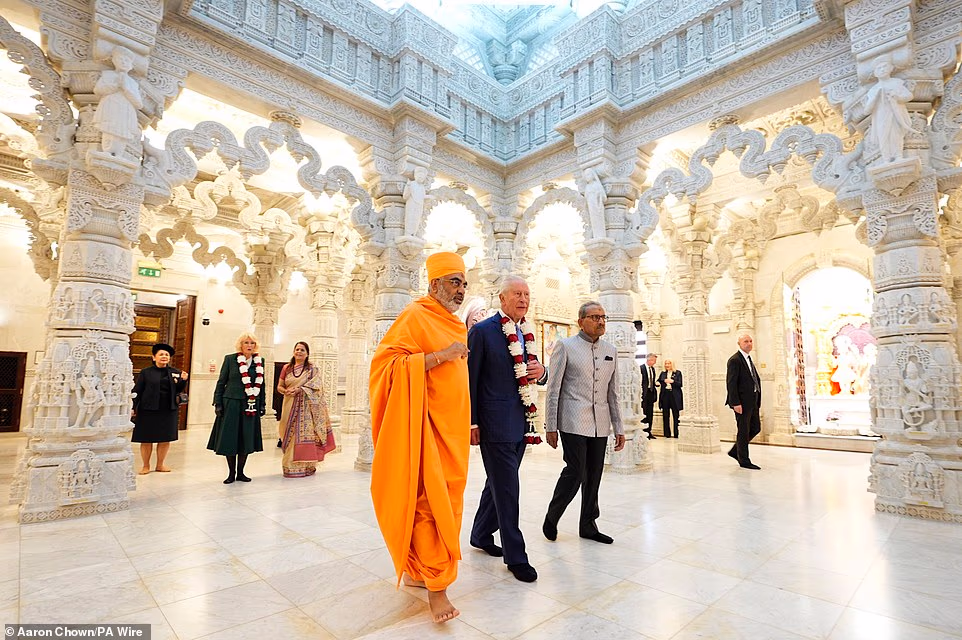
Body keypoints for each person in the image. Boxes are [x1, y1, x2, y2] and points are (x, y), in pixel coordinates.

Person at [369, 251, 471, 624]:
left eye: (463, 283)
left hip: (454, 429)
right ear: (434, 285)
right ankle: (438, 590)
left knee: (449, 500)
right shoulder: (416, 315)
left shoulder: (454, 323)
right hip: (425, 428)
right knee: (429, 503)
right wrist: (442, 355)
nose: (461, 290)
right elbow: (387, 365)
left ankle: (419, 568)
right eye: (454, 282)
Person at [468, 275, 547, 583]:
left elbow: (534, 372)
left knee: (498, 484)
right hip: (494, 424)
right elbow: (469, 381)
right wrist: (472, 421)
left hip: (521, 422)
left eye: (527, 294)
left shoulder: (526, 333)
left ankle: (480, 534)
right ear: (501, 298)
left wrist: (542, 373)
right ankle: (517, 557)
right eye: (517, 293)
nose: (523, 299)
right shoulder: (482, 332)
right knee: (508, 488)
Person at [542, 302, 626, 544]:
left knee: (594, 474)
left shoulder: (610, 349)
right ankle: (552, 515)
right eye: (594, 317)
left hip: (600, 422)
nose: (601, 321)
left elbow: (613, 392)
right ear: (581, 321)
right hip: (572, 420)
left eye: (603, 317)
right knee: (576, 471)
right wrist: (550, 425)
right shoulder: (565, 346)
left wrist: (618, 427)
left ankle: (588, 524)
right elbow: (553, 388)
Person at [207, 333, 265, 483]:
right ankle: (231, 473)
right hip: (231, 403)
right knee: (230, 438)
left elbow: (262, 384)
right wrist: (217, 402)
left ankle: (241, 472)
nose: (249, 345)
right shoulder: (230, 359)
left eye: (252, 343)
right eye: (246, 342)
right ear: (241, 344)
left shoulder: (260, 361)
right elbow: (221, 382)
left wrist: (262, 404)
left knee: (246, 438)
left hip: (250, 404)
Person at [276, 341, 333, 478]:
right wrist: (286, 391)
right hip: (288, 403)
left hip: (306, 409)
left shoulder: (312, 369)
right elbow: (279, 386)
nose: (299, 352)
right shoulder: (287, 368)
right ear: (293, 351)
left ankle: (305, 466)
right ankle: (289, 466)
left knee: (303, 434)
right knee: (287, 432)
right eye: (297, 349)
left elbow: (318, 387)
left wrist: (300, 389)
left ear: (307, 354)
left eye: (302, 350)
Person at [131, 343, 188, 474]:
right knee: (146, 439)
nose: (164, 356)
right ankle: (146, 465)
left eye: (167, 355)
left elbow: (178, 390)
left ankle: (160, 464)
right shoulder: (146, 372)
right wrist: (133, 407)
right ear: (154, 357)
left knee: (165, 438)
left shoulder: (175, 372)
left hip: (168, 410)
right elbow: (137, 391)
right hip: (148, 410)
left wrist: (183, 380)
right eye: (161, 354)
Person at [726, 333, 762, 470]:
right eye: (745, 341)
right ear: (739, 343)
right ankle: (744, 460)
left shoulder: (748, 359)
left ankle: (736, 451)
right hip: (741, 402)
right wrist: (735, 403)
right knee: (743, 430)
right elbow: (731, 383)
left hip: (753, 400)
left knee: (755, 428)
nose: (749, 343)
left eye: (750, 341)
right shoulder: (734, 360)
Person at [658, 359, 683, 438]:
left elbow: (680, 384)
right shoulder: (663, 373)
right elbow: (659, 380)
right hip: (665, 395)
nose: (667, 365)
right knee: (665, 415)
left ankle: (676, 433)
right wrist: (659, 382)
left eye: (669, 363)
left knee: (676, 415)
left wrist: (672, 381)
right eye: (666, 363)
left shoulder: (678, 373)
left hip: (674, 396)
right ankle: (667, 433)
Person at [639, 353, 658, 439]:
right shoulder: (641, 368)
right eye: (654, 360)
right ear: (649, 360)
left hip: (651, 393)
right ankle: (643, 432)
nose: (655, 362)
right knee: (644, 413)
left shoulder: (652, 369)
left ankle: (649, 431)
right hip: (644, 394)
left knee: (650, 413)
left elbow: (652, 381)